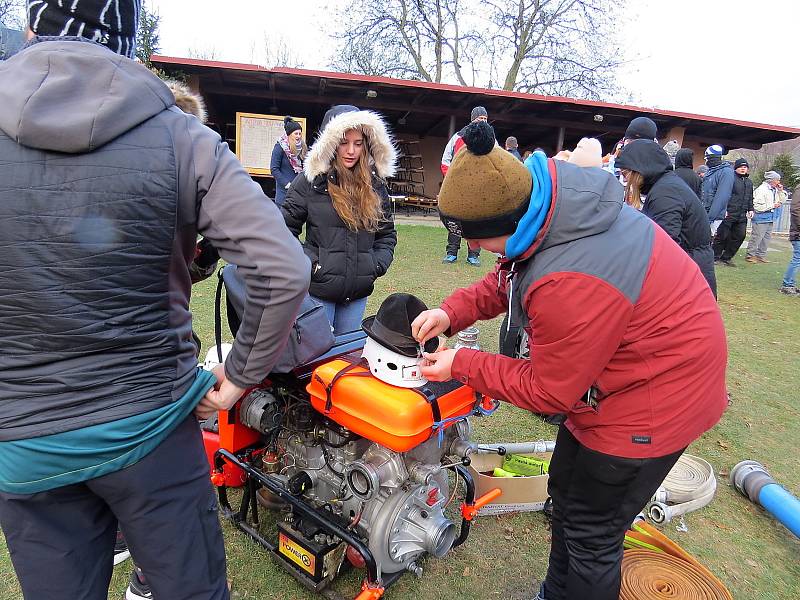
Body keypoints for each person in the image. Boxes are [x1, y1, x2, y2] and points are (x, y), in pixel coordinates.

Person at [0, 4, 310, 600]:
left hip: (25, 436)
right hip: (152, 427)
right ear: (126, 33)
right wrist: (241, 375)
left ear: (34, 27)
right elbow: (283, 266)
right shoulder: (180, 135)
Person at [411, 121, 726, 600]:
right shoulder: (551, 212)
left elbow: (548, 389)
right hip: (613, 387)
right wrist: (451, 312)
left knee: (592, 534)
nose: (473, 249)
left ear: (510, 221)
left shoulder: (571, 277)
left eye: (477, 239)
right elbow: (508, 277)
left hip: (653, 404)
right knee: (566, 493)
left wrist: (462, 364)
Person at [282, 105, 397, 335]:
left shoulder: (375, 185)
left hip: (357, 294)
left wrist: (374, 265)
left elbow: (387, 234)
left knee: (345, 360)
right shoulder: (311, 182)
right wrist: (310, 265)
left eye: (358, 143)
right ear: (331, 142)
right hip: (318, 292)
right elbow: (283, 230)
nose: (351, 151)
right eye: (344, 142)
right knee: (316, 360)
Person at [616, 140, 717, 297]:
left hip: (689, 275)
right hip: (692, 265)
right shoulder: (666, 185)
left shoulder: (665, 192)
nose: (626, 181)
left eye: (625, 174)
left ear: (639, 170)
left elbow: (665, 246)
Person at [440, 106, 488, 265]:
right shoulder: (457, 137)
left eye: (485, 119)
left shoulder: (490, 141)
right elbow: (445, 161)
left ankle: (473, 254)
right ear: (473, 119)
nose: (483, 122)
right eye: (480, 119)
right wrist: (452, 179)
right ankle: (451, 252)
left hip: (478, 189)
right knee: (455, 221)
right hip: (458, 188)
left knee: (476, 222)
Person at [713, 158, 754, 266]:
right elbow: (725, 194)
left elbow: (750, 197)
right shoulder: (731, 179)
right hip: (729, 212)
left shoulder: (749, 183)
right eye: (741, 167)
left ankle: (727, 257)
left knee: (740, 235)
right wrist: (724, 209)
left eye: (745, 167)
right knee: (722, 235)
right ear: (736, 168)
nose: (743, 169)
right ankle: (715, 257)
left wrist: (751, 209)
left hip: (742, 215)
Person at [745, 170, 787, 264]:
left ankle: (761, 255)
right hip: (760, 217)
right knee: (757, 237)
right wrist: (772, 206)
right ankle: (750, 255)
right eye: (777, 180)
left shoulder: (775, 190)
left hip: (770, 217)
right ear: (771, 180)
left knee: (766, 238)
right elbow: (757, 206)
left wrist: (781, 191)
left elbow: (783, 200)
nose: (778, 182)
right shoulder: (761, 190)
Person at [270, 116, 307, 207]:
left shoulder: (303, 148)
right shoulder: (279, 147)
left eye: (299, 133)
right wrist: (287, 184)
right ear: (289, 134)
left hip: (299, 193)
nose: (298, 136)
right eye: (296, 133)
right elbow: (274, 169)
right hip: (284, 194)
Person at [700, 144, 734, 235]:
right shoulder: (710, 171)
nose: (705, 160)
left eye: (707, 158)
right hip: (704, 213)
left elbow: (722, 197)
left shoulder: (726, 172)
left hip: (713, 217)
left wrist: (709, 218)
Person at [780, 185, 800, 294]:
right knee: (798, 258)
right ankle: (787, 284)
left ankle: (789, 283)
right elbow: (795, 209)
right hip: (798, 232)